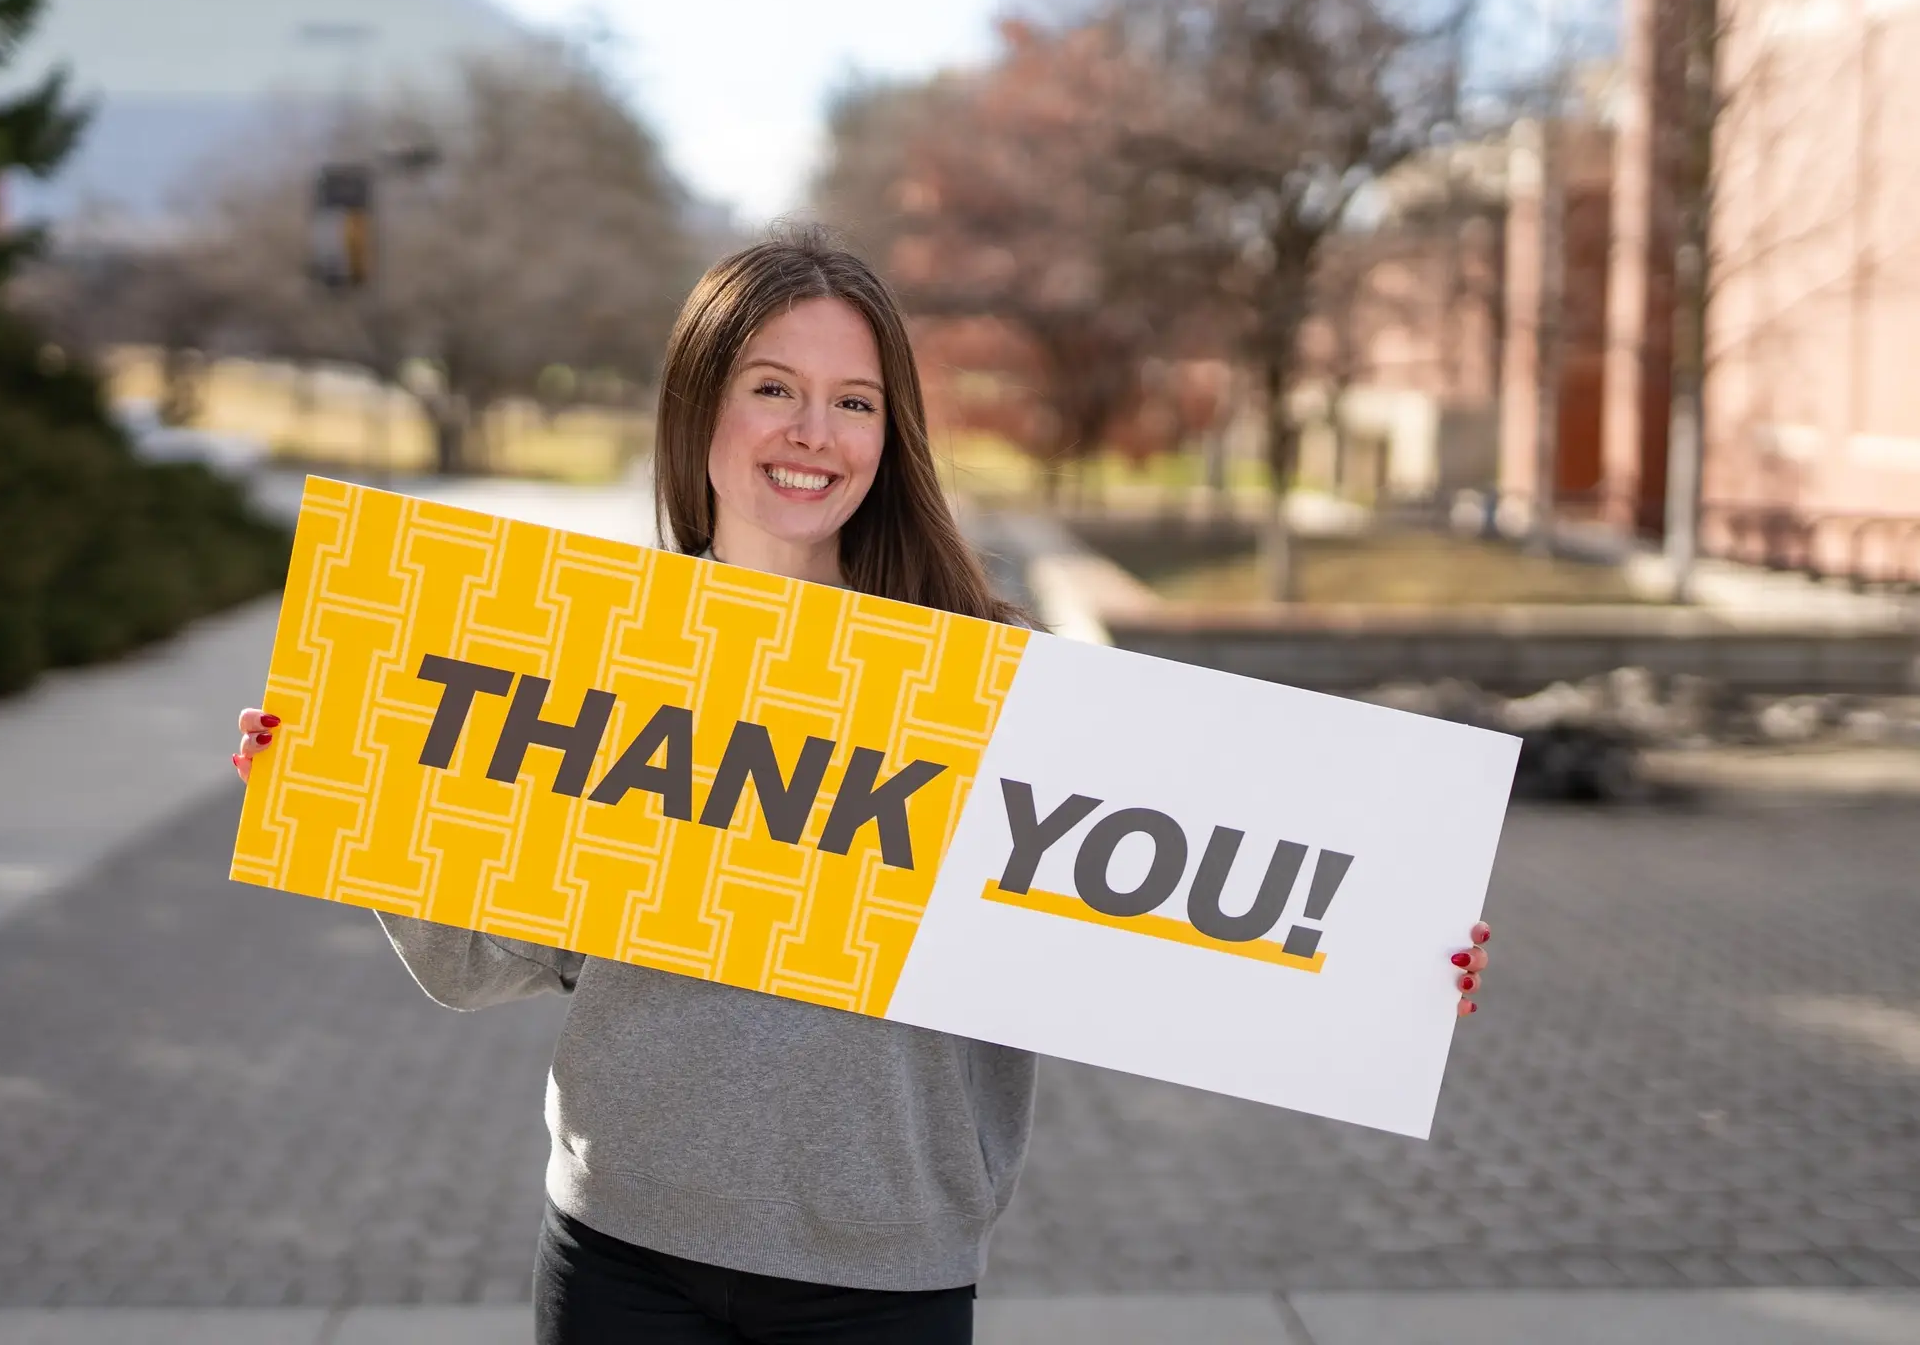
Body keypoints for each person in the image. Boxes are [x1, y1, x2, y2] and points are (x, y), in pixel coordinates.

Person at [231, 229, 1494, 1343]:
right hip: (622, 1249)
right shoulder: (597, 655)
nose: (810, 433)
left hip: (882, 1280)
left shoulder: (994, 681)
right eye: (771, 388)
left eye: (853, 402)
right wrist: (359, 793)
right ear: (698, 412)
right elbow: (476, 962)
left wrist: (1382, 949)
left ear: (889, 439)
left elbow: (1148, 941)